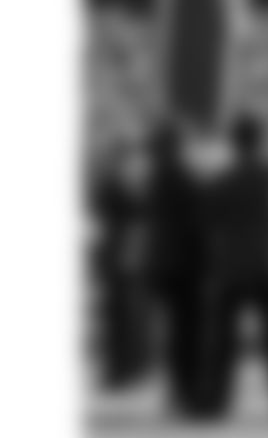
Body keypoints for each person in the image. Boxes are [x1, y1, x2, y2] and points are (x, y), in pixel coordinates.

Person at [203, 116, 268, 422]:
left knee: (223, 340)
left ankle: (216, 401)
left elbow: (208, 222)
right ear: (260, 141)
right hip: (267, 265)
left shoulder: (222, 181)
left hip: (232, 267)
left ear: (233, 143)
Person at [144, 123, 215, 419]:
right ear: (173, 146)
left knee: (176, 332)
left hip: (164, 265)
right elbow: (196, 221)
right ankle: (189, 394)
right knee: (189, 332)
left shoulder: (156, 177)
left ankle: (179, 393)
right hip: (185, 265)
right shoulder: (180, 176)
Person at [90, 143, 154, 391]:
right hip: (122, 256)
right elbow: (135, 212)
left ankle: (127, 367)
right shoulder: (115, 188)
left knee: (125, 315)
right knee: (121, 315)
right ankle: (122, 368)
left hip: (123, 256)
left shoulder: (118, 187)